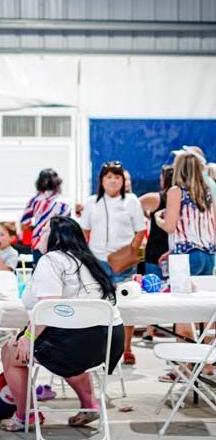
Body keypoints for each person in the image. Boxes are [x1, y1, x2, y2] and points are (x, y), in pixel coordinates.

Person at [0, 217, 124, 431]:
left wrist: (27, 338)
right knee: (59, 342)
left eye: (46, 230)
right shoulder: (89, 261)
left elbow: (48, 306)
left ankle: (24, 416)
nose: (40, 232)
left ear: (57, 238)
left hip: (77, 344)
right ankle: (89, 405)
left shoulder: (52, 260)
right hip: (109, 341)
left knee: (11, 351)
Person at [155, 152, 216, 381]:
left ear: (178, 169)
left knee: (182, 311)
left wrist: (158, 218)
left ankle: (183, 367)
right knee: (206, 312)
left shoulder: (175, 192)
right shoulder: (208, 192)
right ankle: (208, 365)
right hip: (208, 255)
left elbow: (170, 227)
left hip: (185, 257)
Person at [80, 161, 145, 366]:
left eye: (117, 176)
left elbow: (140, 230)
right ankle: (102, 347)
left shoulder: (132, 201)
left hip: (123, 262)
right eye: (109, 176)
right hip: (97, 261)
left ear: (122, 180)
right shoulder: (92, 202)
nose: (113, 180)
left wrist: (130, 251)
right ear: (102, 180)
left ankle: (126, 348)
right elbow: (85, 230)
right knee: (99, 304)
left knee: (125, 306)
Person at [138, 165, 174, 342]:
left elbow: (133, 207)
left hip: (154, 250)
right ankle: (179, 329)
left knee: (152, 291)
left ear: (164, 179)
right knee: (176, 292)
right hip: (174, 251)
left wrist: (146, 216)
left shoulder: (155, 198)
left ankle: (149, 330)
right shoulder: (182, 198)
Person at [20, 168, 71, 266]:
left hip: (38, 243)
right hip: (58, 245)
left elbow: (24, 225)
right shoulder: (63, 203)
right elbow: (67, 227)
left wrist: (38, 227)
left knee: (39, 274)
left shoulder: (34, 201)